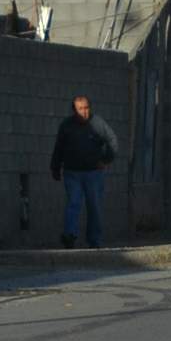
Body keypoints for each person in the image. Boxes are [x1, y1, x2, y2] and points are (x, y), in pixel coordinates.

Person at [50, 94, 119, 248]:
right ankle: (70, 235)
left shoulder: (98, 123)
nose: (84, 111)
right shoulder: (66, 125)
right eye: (80, 108)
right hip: (72, 173)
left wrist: (106, 160)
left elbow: (112, 140)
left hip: (93, 173)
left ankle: (94, 241)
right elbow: (59, 148)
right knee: (74, 203)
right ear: (74, 110)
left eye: (86, 108)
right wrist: (55, 167)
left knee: (94, 206)